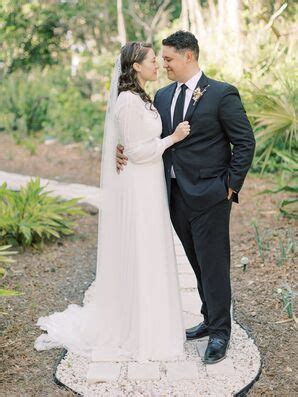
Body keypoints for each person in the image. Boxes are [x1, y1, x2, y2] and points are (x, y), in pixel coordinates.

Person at [34, 42, 191, 381]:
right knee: (142, 250)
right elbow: (136, 151)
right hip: (139, 184)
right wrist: (172, 138)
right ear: (135, 66)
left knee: (151, 250)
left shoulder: (141, 98)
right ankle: (141, 331)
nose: (157, 65)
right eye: (152, 61)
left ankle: (154, 323)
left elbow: (130, 143)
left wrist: (135, 144)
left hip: (149, 183)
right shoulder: (127, 101)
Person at [117, 31, 256, 364]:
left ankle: (221, 332)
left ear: (189, 57)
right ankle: (209, 319)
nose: (163, 64)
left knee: (214, 264)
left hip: (211, 195)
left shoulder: (222, 93)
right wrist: (120, 149)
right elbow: (147, 136)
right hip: (174, 194)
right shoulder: (161, 96)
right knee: (196, 263)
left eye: (168, 59)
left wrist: (231, 185)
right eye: (160, 59)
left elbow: (245, 142)